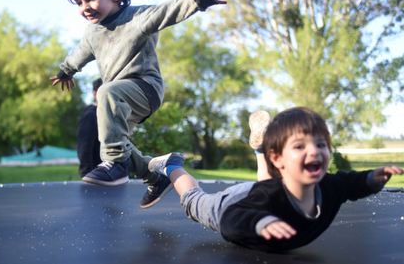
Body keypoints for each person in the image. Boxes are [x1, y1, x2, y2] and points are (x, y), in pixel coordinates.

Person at [49, 0, 230, 209]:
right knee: (112, 137)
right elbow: (80, 53)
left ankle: (115, 166)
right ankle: (154, 176)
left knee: (106, 94)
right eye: (79, 3)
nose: (85, 8)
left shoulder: (136, 18)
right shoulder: (92, 33)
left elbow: (168, 10)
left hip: (145, 88)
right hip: (119, 97)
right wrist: (66, 71)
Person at [147, 107, 403, 252]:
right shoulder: (263, 201)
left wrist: (371, 178)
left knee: (270, 187)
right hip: (236, 204)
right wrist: (259, 221)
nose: (314, 151)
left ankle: (261, 150)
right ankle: (172, 167)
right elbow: (232, 219)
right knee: (193, 200)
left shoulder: (328, 187)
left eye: (321, 144)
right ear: (279, 159)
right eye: (300, 147)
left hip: (268, 191)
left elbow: (349, 184)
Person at [77, 78, 102, 177]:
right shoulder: (91, 115)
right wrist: (88, 176)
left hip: (113, 177)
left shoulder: (111, 116)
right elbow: (84, 148)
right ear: (95, 93)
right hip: (98, 178)